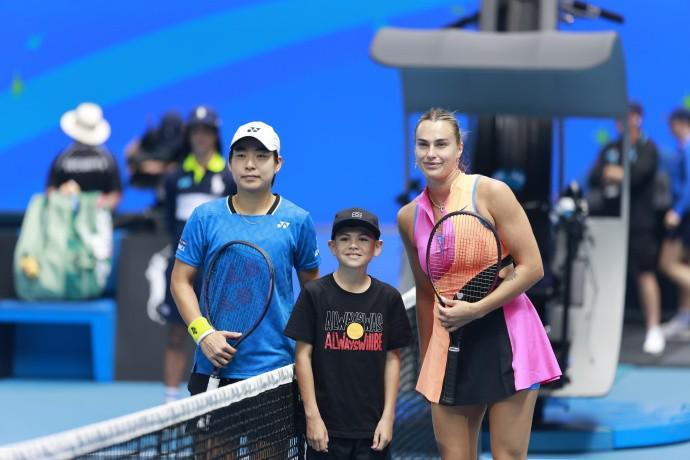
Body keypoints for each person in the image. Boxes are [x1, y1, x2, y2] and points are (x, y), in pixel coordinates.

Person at [397, 108, 560, 460]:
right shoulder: (408, 217)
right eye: (423, 144)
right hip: (450, 344)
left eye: (441, 144)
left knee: (507, 455)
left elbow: (532, 267)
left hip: (507, 336)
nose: (431, 153)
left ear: (459, 148)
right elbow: (426, 293)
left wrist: (476, 310)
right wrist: (427, 361)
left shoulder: (491, 193)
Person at [171, 120, 320, 396]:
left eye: (261, 156)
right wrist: (204, 334)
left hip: (275, 369)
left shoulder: (298, 220)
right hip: (211, 365)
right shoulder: (205, 217)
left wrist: (300, 349)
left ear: (278, 163)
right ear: (230, 163)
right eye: (241, 155)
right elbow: (180, 281)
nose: (250, 164)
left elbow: (312, 292)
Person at [285, 208, 412, 459]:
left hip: (372, 431)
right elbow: (302, 357)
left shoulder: (389, 298)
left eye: (363, 239)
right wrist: (313, 417)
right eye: (345, 239)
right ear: (332, 246)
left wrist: (388, 418)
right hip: (325, 430)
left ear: (377, 247)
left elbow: (393, 359)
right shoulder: (314, 294)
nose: (353, 245)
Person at [156, 105, 236, 402]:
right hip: (182, 268)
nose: (200, 137)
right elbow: (169, 222)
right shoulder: (174, 177)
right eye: (196, 131)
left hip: (218, 270)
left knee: (217, 334)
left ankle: (214, 400)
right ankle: (170, 401)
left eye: (207, 131)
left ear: (215, 136)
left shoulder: (228, 177)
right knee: (177, 333)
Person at [588, 102, 665, 354]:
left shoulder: (648, 147)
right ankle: (602, 330)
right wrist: (615, 173)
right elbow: (594, 175)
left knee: (645, 274)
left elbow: (638, 175)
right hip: (611, 222)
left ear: (637, 118)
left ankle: (654, 328)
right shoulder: (610, 147)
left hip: (639, 222)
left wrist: (615, 173)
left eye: (627, 116)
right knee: (607, 275)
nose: (621, 121)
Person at [46, 102, 122, 210]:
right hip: (94, 216)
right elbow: (115, 194)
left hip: (70, 217)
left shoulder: (62, 158)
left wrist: (86, 208)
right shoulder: (108, 158)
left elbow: (51, 191)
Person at [659, 108, 690, 341]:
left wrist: (677, 212)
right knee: (684, 264)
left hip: (684, 216)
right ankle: (684, 317)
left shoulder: (688, 148)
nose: (669, 129)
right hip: (684, 215)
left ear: (680, 122)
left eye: (671, 124)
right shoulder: (681, 149)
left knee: (668, 263)